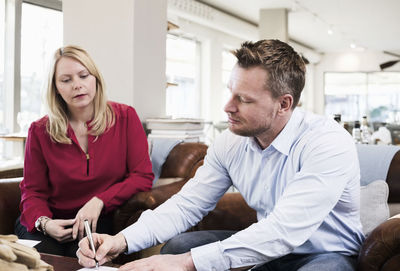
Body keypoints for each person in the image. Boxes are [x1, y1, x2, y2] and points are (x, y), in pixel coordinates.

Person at [77, 39, 365, 271]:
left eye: (244, 99)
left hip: (326, 255)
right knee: (179, 246)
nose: (227, 107)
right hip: (268, 252)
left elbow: (283, 232)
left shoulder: (327, 142)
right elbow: (186, 206)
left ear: (284, 104)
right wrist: (121, 241)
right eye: (230, 92)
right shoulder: (230, 143)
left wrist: (187, 264)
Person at [15, 45, 154, 257]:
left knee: (83, 258)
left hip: (99, 220)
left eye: (83, 76)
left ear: (95, 79)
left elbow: (142, 176)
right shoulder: (40, 130)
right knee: (43, 259)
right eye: (66, 80)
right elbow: (33, 190)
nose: (77, 85)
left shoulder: (125, 117)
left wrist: (99, 201)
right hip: (50, 221)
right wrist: (45, 223)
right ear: (55, 88)